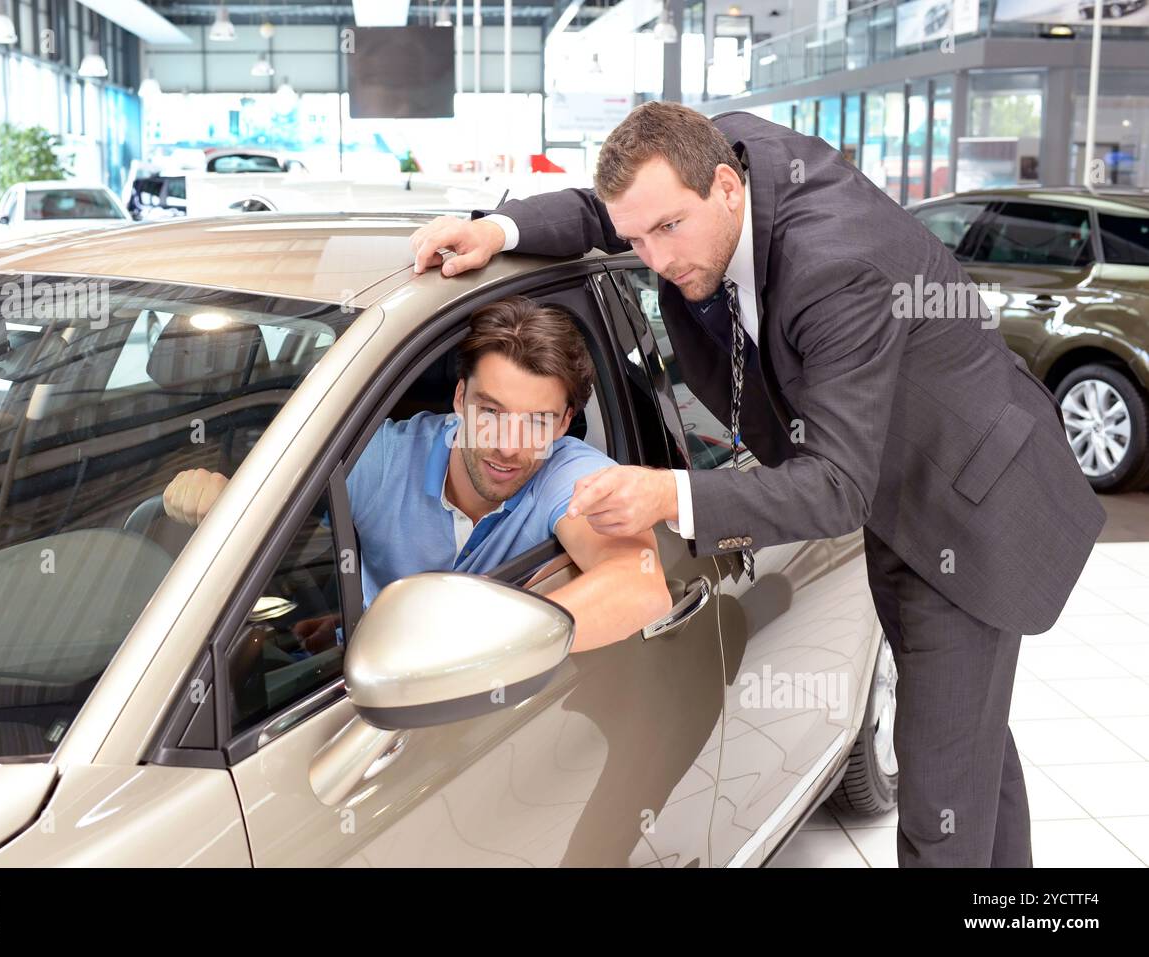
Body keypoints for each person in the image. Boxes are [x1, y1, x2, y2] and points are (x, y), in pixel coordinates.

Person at [408, 102, 1106, 867]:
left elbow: (838, 487)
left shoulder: (836, 266)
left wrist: (671, 493)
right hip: (902, 476)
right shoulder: (701, 160)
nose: (655, 258)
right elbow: (605, 212)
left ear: (727, 188)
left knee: (941, 797)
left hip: (966, 507)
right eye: (636, 238)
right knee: (972, 746)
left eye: (667, 230)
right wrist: (497, 230)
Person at [163, 296, 672, 655]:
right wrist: (221, 499)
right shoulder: (380, 457)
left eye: (537, 422)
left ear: (563, 424)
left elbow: (640, 586)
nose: (508, 446)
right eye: (489, 411)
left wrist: (448, 647)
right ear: (458, 400)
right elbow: (268, 500)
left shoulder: (570, 475)